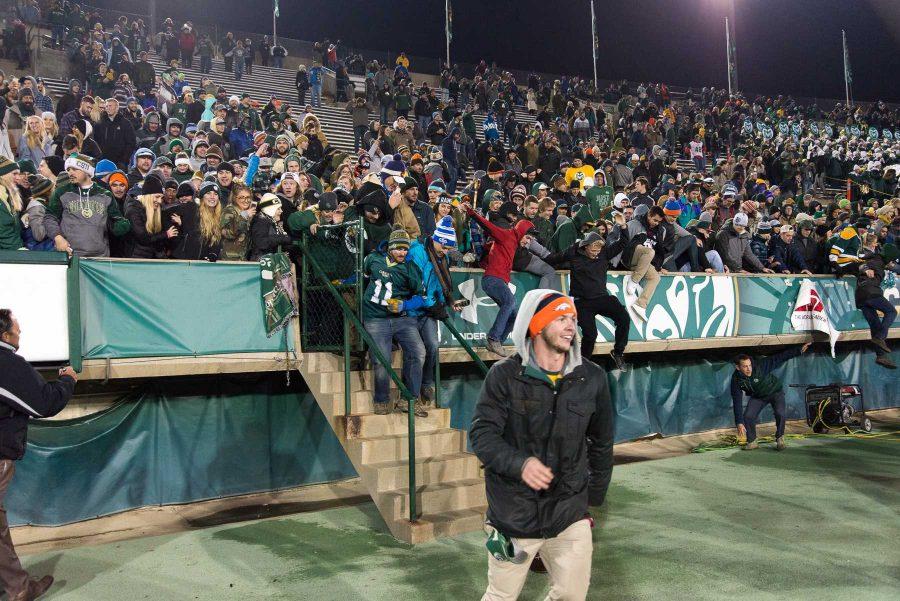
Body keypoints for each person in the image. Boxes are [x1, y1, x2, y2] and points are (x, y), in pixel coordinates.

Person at [470, 289, 613, 601]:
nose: (570, 326)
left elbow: (602, 442)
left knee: (572, 596)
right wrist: (520, 464)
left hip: (569, 514)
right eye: (560, 318)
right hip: (513, 514)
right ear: (536, 325)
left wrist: (591, 499)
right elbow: (482, 436)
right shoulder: (504, 376)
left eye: (572, 319)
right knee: (500, 596)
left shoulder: (592, 377)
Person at [0, 308, 77, 601]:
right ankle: (19, 589)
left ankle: (18, 587)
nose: (20, 334)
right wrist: (67, 380)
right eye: (17, 330)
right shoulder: (8, 363)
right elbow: (44, 403)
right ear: (5, 335)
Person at [544, 225, 631, 369]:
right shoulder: (574, 253)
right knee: (591, 335)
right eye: (593, 250)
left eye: (598, 250)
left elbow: (623, 242)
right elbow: (552, 259)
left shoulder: (604, 253)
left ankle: (618, 352)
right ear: (585, 247)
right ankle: (581, 365)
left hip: (602, 298)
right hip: (581, 302)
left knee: (624, 318)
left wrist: (623, 226)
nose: (596, 253)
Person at [361, 227, 427, 416]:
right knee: (382, 359)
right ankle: (381, 399)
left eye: (405, 249)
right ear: (390, 248)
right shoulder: (373, 259)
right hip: (375, 317)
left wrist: (404, 305)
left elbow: (421, 297)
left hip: (402, 319)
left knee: (419, 352)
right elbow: (363, 279)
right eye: (398, 249)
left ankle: (409, 399)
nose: (402, 252)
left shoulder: (411, 268)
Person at [406, 216, 466, 410]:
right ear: (437, 239)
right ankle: (409, 394)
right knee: (417, 352)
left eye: (449, 249)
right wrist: (431, 304)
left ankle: (426, 384)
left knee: (433, 346)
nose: (446, 252)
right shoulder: (417, 252)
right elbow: (414, 284)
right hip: (412, 310)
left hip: (430, 310)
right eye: (445, 247)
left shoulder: (443, 256)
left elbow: (440, 284)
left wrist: (449, 301)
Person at [463, 198, 533, 356]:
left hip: (498, 281)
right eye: (528, 237)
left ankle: (497, 341)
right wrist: (471, 212)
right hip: (492, 279)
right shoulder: (506, 235)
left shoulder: (514, 243)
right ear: (521, 232)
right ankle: (493, 338)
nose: (529, 241)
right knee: (510, 301)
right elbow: (487, 225)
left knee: (515, 315)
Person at [731, 342, 811, 451]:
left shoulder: (760, 366)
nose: (749, 369)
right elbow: (737, 400)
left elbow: (779, 358)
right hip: (759, 396)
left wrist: (798, 350)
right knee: (748, 416)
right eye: (745, 366)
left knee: (780, 413)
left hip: (775, 392)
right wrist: (739, 422)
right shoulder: (736, 379)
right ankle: (752, 441)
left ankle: (780, 438)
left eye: (749, 365)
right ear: (737, 367)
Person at [855, 237, 897, 369]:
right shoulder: (876, 259)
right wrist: (865, 269)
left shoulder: (878, 260)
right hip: (870, 292)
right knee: (891, 311)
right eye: (891, 260)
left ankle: (881, 356)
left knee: (875, 325)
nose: (891, 263)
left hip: (860, 296)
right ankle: (880, 337)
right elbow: (860, 263)